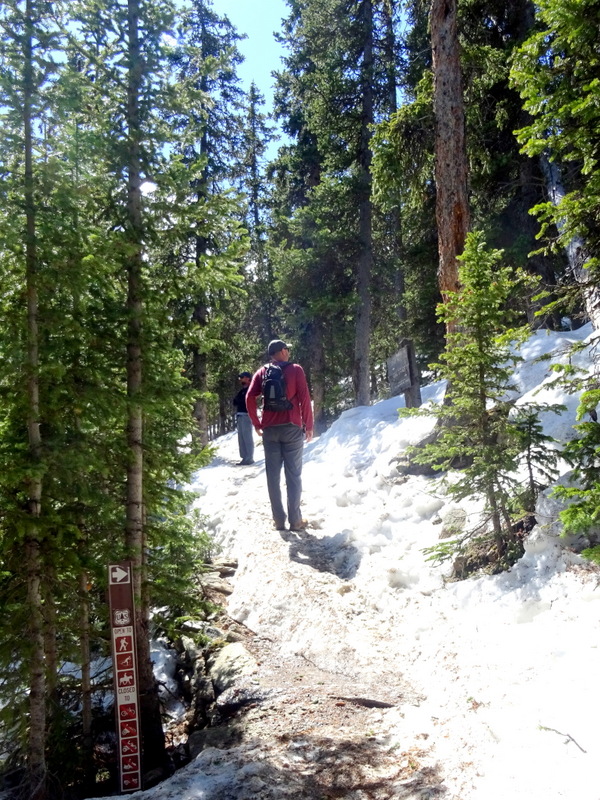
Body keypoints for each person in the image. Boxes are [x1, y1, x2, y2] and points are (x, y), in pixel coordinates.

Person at [246, 339, 314, 531]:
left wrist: (256, 423)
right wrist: (308, 425)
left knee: (272, 476)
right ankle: (295, 520)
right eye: (287, 349)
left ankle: (278, 520)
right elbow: (304, 398)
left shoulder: (262, 372)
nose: (288, 352)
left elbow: (249, 396)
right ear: (282, 351)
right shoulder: (295, 369)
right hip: (292, 427)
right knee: (294, 475)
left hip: (270, 429)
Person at [233, 372, 254, 465]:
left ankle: (249, 457)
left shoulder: (251, 389)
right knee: (241, 437)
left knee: (247, 437)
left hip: (246, 415)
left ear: (247, 378)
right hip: (240, 415)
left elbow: (245, 401)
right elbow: (235, 401)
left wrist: (239, 400)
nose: (240, 379)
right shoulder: (242, 391)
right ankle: (244, 457)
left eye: (241, 377)